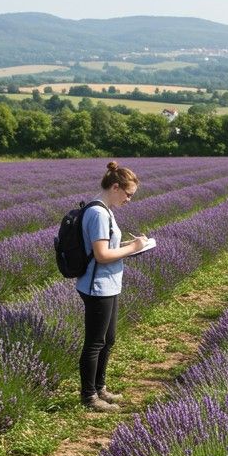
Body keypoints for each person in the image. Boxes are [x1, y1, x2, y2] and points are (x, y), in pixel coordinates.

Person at [78, 161, 150, 413]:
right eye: (128, 194)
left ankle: (100, 388)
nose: (129, 200)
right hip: (97, 285)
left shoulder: (105, 210)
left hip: (108, 283)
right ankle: (89, 396)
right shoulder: (98, 213)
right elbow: (101, 255)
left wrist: (132, 246)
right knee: (95, 343)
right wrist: (134, 248)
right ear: (116, 187)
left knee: (108, 340)